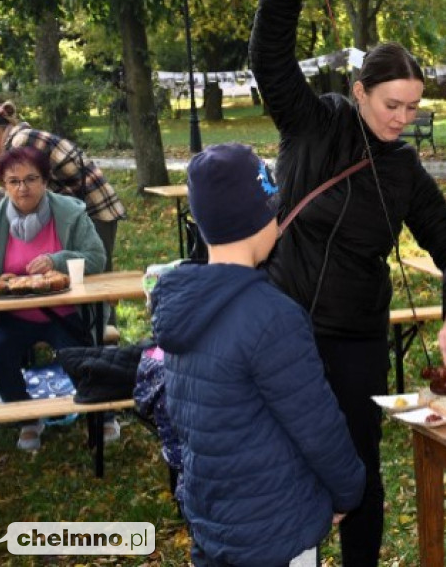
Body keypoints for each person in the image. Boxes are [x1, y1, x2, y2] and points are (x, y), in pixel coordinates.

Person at [250, 0, 446, 566]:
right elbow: (270, 64)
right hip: (283, 327)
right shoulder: (313, 122)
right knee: (283, 460)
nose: (402, 119)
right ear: (360, 91)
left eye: (412, 108)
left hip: (356, 339)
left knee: (357, 472)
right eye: (391, 104)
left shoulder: (404, 170)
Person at [151, 143, 365, 567]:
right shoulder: (272, 318)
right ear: (262, 219)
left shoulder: (180, 308)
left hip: (213, 518)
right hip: (277, 526)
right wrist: (348, 491)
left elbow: (182, 422)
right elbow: (317, 425)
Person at [0, 147, 110, 450]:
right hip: (12, 316)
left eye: (31, 179)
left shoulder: (70, 212)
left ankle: (102, 414)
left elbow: (96, 258)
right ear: (3, 185)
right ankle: (28, 418)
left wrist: (58, 260)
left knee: (78, 353)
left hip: (65, 311)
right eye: (13, 181)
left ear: (45, 181)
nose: (22, 188)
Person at [0, 102, 126, 275]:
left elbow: (18, 188)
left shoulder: (21, 142)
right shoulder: (22, 136)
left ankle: (103, 303)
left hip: (95, 206)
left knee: (97, 275)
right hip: (91, 201)